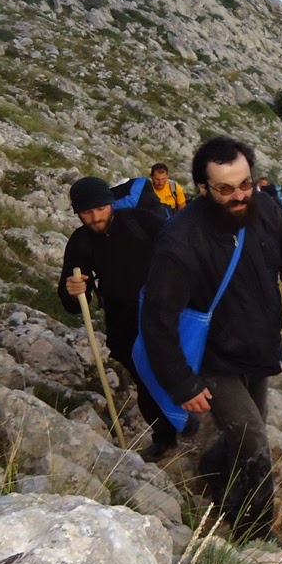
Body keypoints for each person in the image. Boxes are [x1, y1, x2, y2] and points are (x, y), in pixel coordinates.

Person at [139, 135, 282, 541]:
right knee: (254, 437)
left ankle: (214, 471)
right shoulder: (181, 240)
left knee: (244, 432)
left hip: (257, 347)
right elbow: (157, 318)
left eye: (245, 183)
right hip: (213, 359)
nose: (239, 195)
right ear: (203, 189)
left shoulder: (267, 208)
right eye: (225, 188)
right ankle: (255, 533)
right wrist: (181, 382)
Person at [58, 177, 180, 459]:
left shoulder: (142, 222)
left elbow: (180, 252)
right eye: (87, 212)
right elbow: (74, 303)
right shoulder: (80, 242)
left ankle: (185, 420)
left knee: (170, 369)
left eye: (101, 208)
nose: (95, 217)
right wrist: (73, 290)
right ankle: (165, 437)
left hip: (162, 312)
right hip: (123, 323)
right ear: (77, 213)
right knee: (145, 378)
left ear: (111, 203)